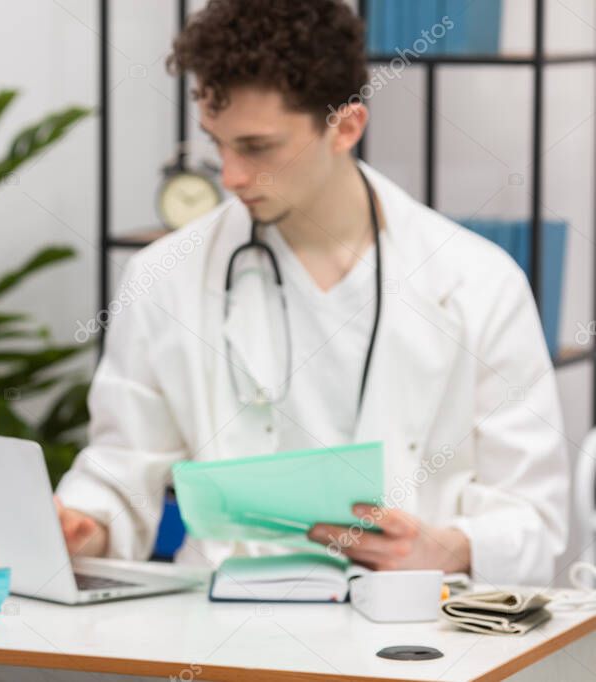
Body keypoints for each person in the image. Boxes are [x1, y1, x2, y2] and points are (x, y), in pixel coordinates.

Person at [55, 0, 569, 586]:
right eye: (216, 144)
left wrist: (447, 548)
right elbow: (122, 476)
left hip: (417, 632)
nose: (230, 177)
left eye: (257, 147)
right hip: (219, 633)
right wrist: (82, 525)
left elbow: (535, 518)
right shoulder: (163, 276)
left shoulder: (479, 283)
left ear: (345, 127)